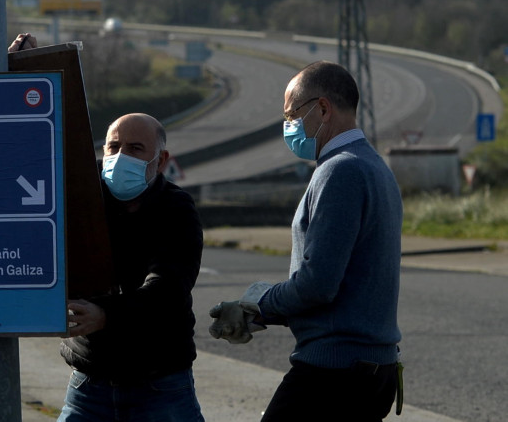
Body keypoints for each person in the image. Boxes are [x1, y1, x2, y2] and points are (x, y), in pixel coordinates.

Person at [209, 61, 403, 421]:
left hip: (334, 372)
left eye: (292, 115)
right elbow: (347, 286)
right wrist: (261, 313)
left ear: (323, 108)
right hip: (371, 370)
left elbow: (318, 285)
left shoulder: (339, 170)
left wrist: (258, 302)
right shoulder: (374, 166)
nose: (289, 126)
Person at [58, 112, 206, 422]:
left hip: (159, 384)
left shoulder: (175, 209)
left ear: (161, 159)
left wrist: (106, 315)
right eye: (113, 147)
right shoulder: (81, 203)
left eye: (135, 148)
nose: (120, 157)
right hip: (89, 383)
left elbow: (167, 288)